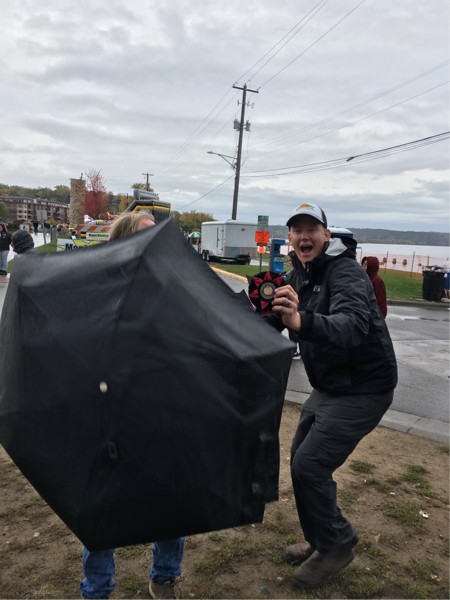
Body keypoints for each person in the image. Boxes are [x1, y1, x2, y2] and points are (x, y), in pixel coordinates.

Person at [266, 202, 397, 589]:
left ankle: (337, 545)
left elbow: (353, 325)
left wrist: (300, 321)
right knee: (300, 460)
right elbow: (271, 311)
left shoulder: (345, 272)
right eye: (297, 230)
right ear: (290, 237)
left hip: (365, 387)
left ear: (326, 235)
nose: (304, 236)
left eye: (312, 229)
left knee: (310, 465)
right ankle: (320, 540)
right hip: (330, 386)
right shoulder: (298, 274)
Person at [80, 211, 185, 600]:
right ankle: (97, 589)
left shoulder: (174, 288)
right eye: (146, 236)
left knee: (171, 501)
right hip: (111, 416)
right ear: (124, 243)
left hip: (162, 413)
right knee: (102, 509)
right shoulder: (98, 291)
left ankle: (165, 575)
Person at [285, 251, 301, 360]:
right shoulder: (293, 272)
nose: (289, 263)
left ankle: (295, 350)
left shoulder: (299, 273)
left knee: (294, 329)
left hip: (298, 305)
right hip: (293, 303)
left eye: (290, 260)